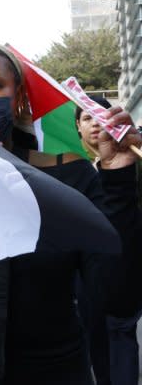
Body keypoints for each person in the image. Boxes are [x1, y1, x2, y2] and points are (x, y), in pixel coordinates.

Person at [0, 40, 142, 384]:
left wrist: (117, 173)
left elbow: (117, 297)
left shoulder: (69, 178)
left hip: (53, 371)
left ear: (19, 96)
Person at [76, 96, 142, 385]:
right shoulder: (71, 170)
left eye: (101, 117)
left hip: (126, 273)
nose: (95, 125)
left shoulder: (133, 157)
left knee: (119, 338)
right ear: (77, 127)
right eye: (87, 118)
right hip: (87, 282)